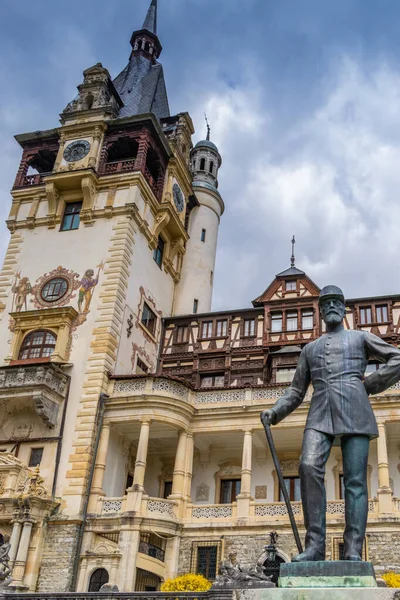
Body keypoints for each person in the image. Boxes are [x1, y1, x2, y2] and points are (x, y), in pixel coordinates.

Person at [261, 285, 400, 562]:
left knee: (355, 481)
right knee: (307, 465)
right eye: (327, 303)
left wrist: (370, 384)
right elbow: (296, 391)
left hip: (356, 409)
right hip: (320, 411)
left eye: (337, 302)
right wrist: (275, 412)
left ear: (343, 308)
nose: (332, 306)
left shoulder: (361, 338)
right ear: (321, 311)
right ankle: (314, 547)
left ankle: (352, 550)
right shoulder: (310, 349)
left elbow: (398, 358)